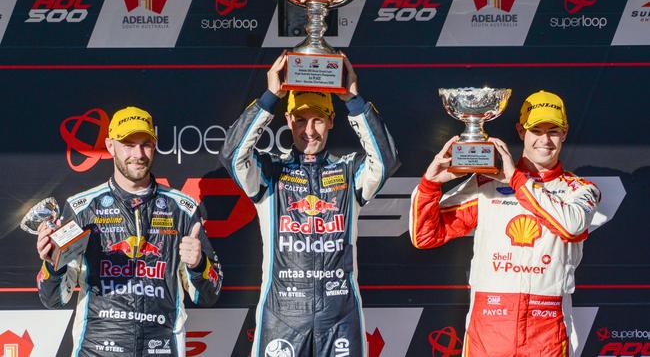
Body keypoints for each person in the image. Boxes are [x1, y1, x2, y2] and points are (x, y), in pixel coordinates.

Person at [219, 51, 399, 357]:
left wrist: (352, 100)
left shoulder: (348, 172)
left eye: (318, 119)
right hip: (282, 318)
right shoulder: (269, 173)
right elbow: (233, 156)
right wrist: (270, 96)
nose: (309, 130)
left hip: (340, 317)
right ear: (288, 120)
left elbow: (386, 161)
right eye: (300, 120)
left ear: (331, 120)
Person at [409, 90, 600, 356]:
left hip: (546, 329)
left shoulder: (579, 190)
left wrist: (516, 180)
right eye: (536, 130)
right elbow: (425, 235)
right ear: (522, 131)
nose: (545, 140)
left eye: (553, 131)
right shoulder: (486, 185)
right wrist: (430, 185)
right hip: (490, 326)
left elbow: (571, 226)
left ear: (565, 133)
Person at [36, 106, 223, 356]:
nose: (138, 153)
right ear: (110, 146)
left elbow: (209, 295)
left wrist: (198, 265)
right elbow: (54, 299)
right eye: (128, 144)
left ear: (155, 145)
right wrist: (52, 265)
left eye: (145, 144)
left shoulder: (183, 209)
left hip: (162, 349)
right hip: (98, 349)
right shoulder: (82, 208)